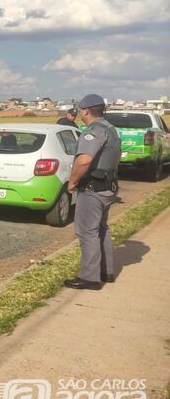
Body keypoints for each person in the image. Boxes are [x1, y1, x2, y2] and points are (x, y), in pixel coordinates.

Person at [64, 94, 121, 290]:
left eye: (80, 109)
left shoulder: (93, 131)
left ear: (86, 110)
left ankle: (89, 277)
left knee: (87, 232)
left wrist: (72, 183)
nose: (79, 112)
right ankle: (106, 271)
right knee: (101, 229)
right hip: (107, 187)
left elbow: (84, 160)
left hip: (92, 189)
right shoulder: (111, 129)